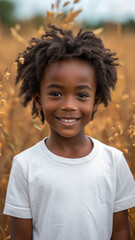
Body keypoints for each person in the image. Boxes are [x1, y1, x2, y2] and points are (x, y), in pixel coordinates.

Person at [3, 24, 135, 240]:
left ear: (95, 102)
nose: (69, 105)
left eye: (82, 95)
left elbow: (120, 230)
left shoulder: (114, 161)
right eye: (55, 93)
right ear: (38, 101)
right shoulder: (25, 165)